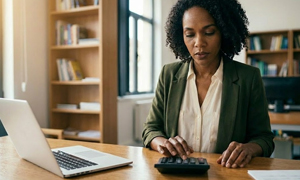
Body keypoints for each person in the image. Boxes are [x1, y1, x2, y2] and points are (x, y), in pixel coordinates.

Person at [142, 0, 274, 168]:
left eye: (209, 32)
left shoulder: (248, 77)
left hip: (226, 175)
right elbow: (150, 129)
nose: (199, 43)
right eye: (190, 34)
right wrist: (162, 143)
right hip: (176, 173)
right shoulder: (169, 75)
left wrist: (248, 148)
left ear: (224, 32)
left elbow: (264, 139)